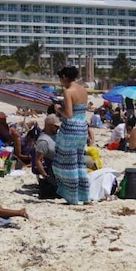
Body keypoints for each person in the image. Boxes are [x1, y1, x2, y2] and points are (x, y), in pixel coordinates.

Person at [52, 66, 91, 205]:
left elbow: (68, 114)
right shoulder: (83, 89)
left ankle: (73, 197)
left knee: (66, 164)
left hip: (70, 129)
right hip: (82, 128)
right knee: (80, 162)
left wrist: (58, 108)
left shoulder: (68, 91)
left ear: (64, 77)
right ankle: (85, 196)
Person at [33, 114, 60, 199]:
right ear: (48, 125)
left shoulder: (55, 136)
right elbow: (38, 160)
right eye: (56, 126)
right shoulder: (43, 141)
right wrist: (45, 177)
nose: (58, 128)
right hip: (55, 169)